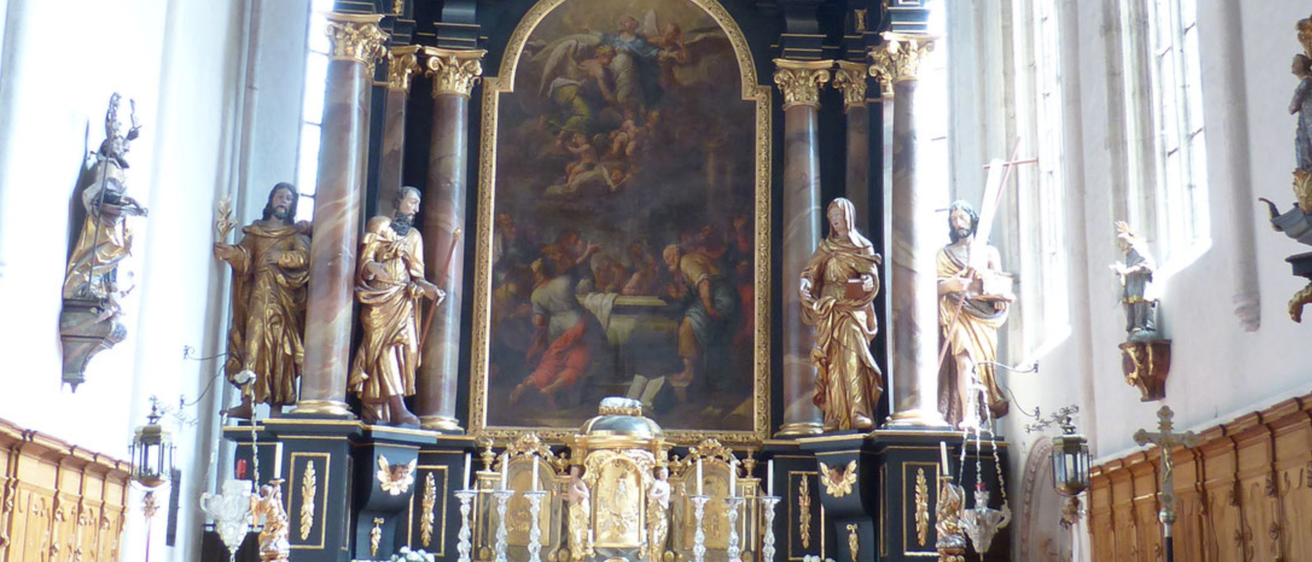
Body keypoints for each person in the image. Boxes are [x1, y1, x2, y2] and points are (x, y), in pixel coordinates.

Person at [349, 187, 446, 426]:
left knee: (408, 350)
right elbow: (365, 258)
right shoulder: (380, 224)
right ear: (399, 201)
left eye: (418, 203)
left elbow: (417, 275)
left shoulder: (414, 236)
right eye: (412, 202)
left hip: (403, 299)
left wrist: (429, 290)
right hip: (379, 296)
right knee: (384, 350)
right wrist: (373, 268)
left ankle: (386, 409)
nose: (416, 208)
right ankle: (397, 406)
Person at [214, 183, 311, 418]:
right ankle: (248, 400)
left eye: (288, 198)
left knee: (280, 350)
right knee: (253, 345)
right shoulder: (256, 232)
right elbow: (245, 257)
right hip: (258, 294)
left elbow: (305, 258)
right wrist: (230, 253)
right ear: (271, 200)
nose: (283, 201)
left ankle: (276, 406)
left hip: (283, 299)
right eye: (279, 196)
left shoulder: (294, 235)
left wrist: (282, 257)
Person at [799, 198, 883, 431]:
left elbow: (870, 274)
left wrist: (868, 281)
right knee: (833, 363)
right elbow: (811, 272)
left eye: (839, 217)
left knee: (853, 358)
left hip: (853, 307)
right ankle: (835, 414)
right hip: (829, 309)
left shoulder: (862, 246)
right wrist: (805, 283)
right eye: (832, 218)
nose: (836, 222)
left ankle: (858, 411)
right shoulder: (825, 247)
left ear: (849, 218)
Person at [63, 93, 148, 304]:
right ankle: (85, 285)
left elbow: (127, 142)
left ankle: (103, 287)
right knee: (103, 251)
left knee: (116, 251)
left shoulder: (117, 165)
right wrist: (131, 206)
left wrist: (132, 131)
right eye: (116, 145)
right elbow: (104, 194)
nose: (121, 147)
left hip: (113, 219)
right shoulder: (107, 166)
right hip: (104, 218)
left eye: (121, 145)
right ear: (107, 148)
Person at [936, 200, 1012, 428]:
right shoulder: (944, 254)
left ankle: (979, 411)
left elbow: (1000, 283)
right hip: (956, 311)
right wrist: (950, 284)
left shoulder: (988, 252)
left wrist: (994, 291)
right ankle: (967, 415)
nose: (959, 223)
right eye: (954, 219)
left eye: (962, 217)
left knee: (981, 364)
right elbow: (932, 287)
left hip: (982, 315)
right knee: (963, 361)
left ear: (972, 219)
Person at [510, 248, 605, 407]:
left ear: (540, 273)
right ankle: (551, 389)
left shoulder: (537, 294)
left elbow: (538, 322)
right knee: (576, 362)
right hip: (578, 327)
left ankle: (525, 385)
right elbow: (577, 270)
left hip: (556, 333)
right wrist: (587, 254)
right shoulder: (564, 282)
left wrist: (533, 314)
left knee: (550, 364)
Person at [664, 242, 737, 400]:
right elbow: (692, 293)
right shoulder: (687, 263)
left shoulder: (686, 261)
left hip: (719, 298)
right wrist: (676, 295)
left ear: (677, 254)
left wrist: (709, 308)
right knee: (690, 322)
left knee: (688, 322)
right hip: (717, 296)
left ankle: (690, 371)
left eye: (669, 257)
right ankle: (699, 375)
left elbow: (704, 282)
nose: (667, 261)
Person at [1111, 221, 1157, 338]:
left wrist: (1129, 270)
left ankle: (1143, 325)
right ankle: (1134, 326)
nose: (1120, 246)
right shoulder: (1129, 254)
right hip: (1132, 285)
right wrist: (1121, 270)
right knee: (1130, 304)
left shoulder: (1137, 250)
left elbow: (1148, 265)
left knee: (1140, 303)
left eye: (1120, 243)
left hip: (1140, 285)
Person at [1291, 54, 1312, 171]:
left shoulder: (1306, 82)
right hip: (1306, 124)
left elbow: (1293, 107)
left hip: (1309, 125)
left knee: (1305, 150)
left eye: (1296, 62)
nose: (1292, 65)